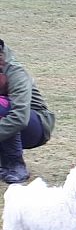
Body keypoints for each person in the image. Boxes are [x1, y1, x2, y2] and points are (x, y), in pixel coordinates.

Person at [0, 39, 56, 184]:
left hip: (35, 125)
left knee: (2, 106)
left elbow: (20, 117)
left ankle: (15, 164)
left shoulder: (15, 72)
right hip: (10, 124)